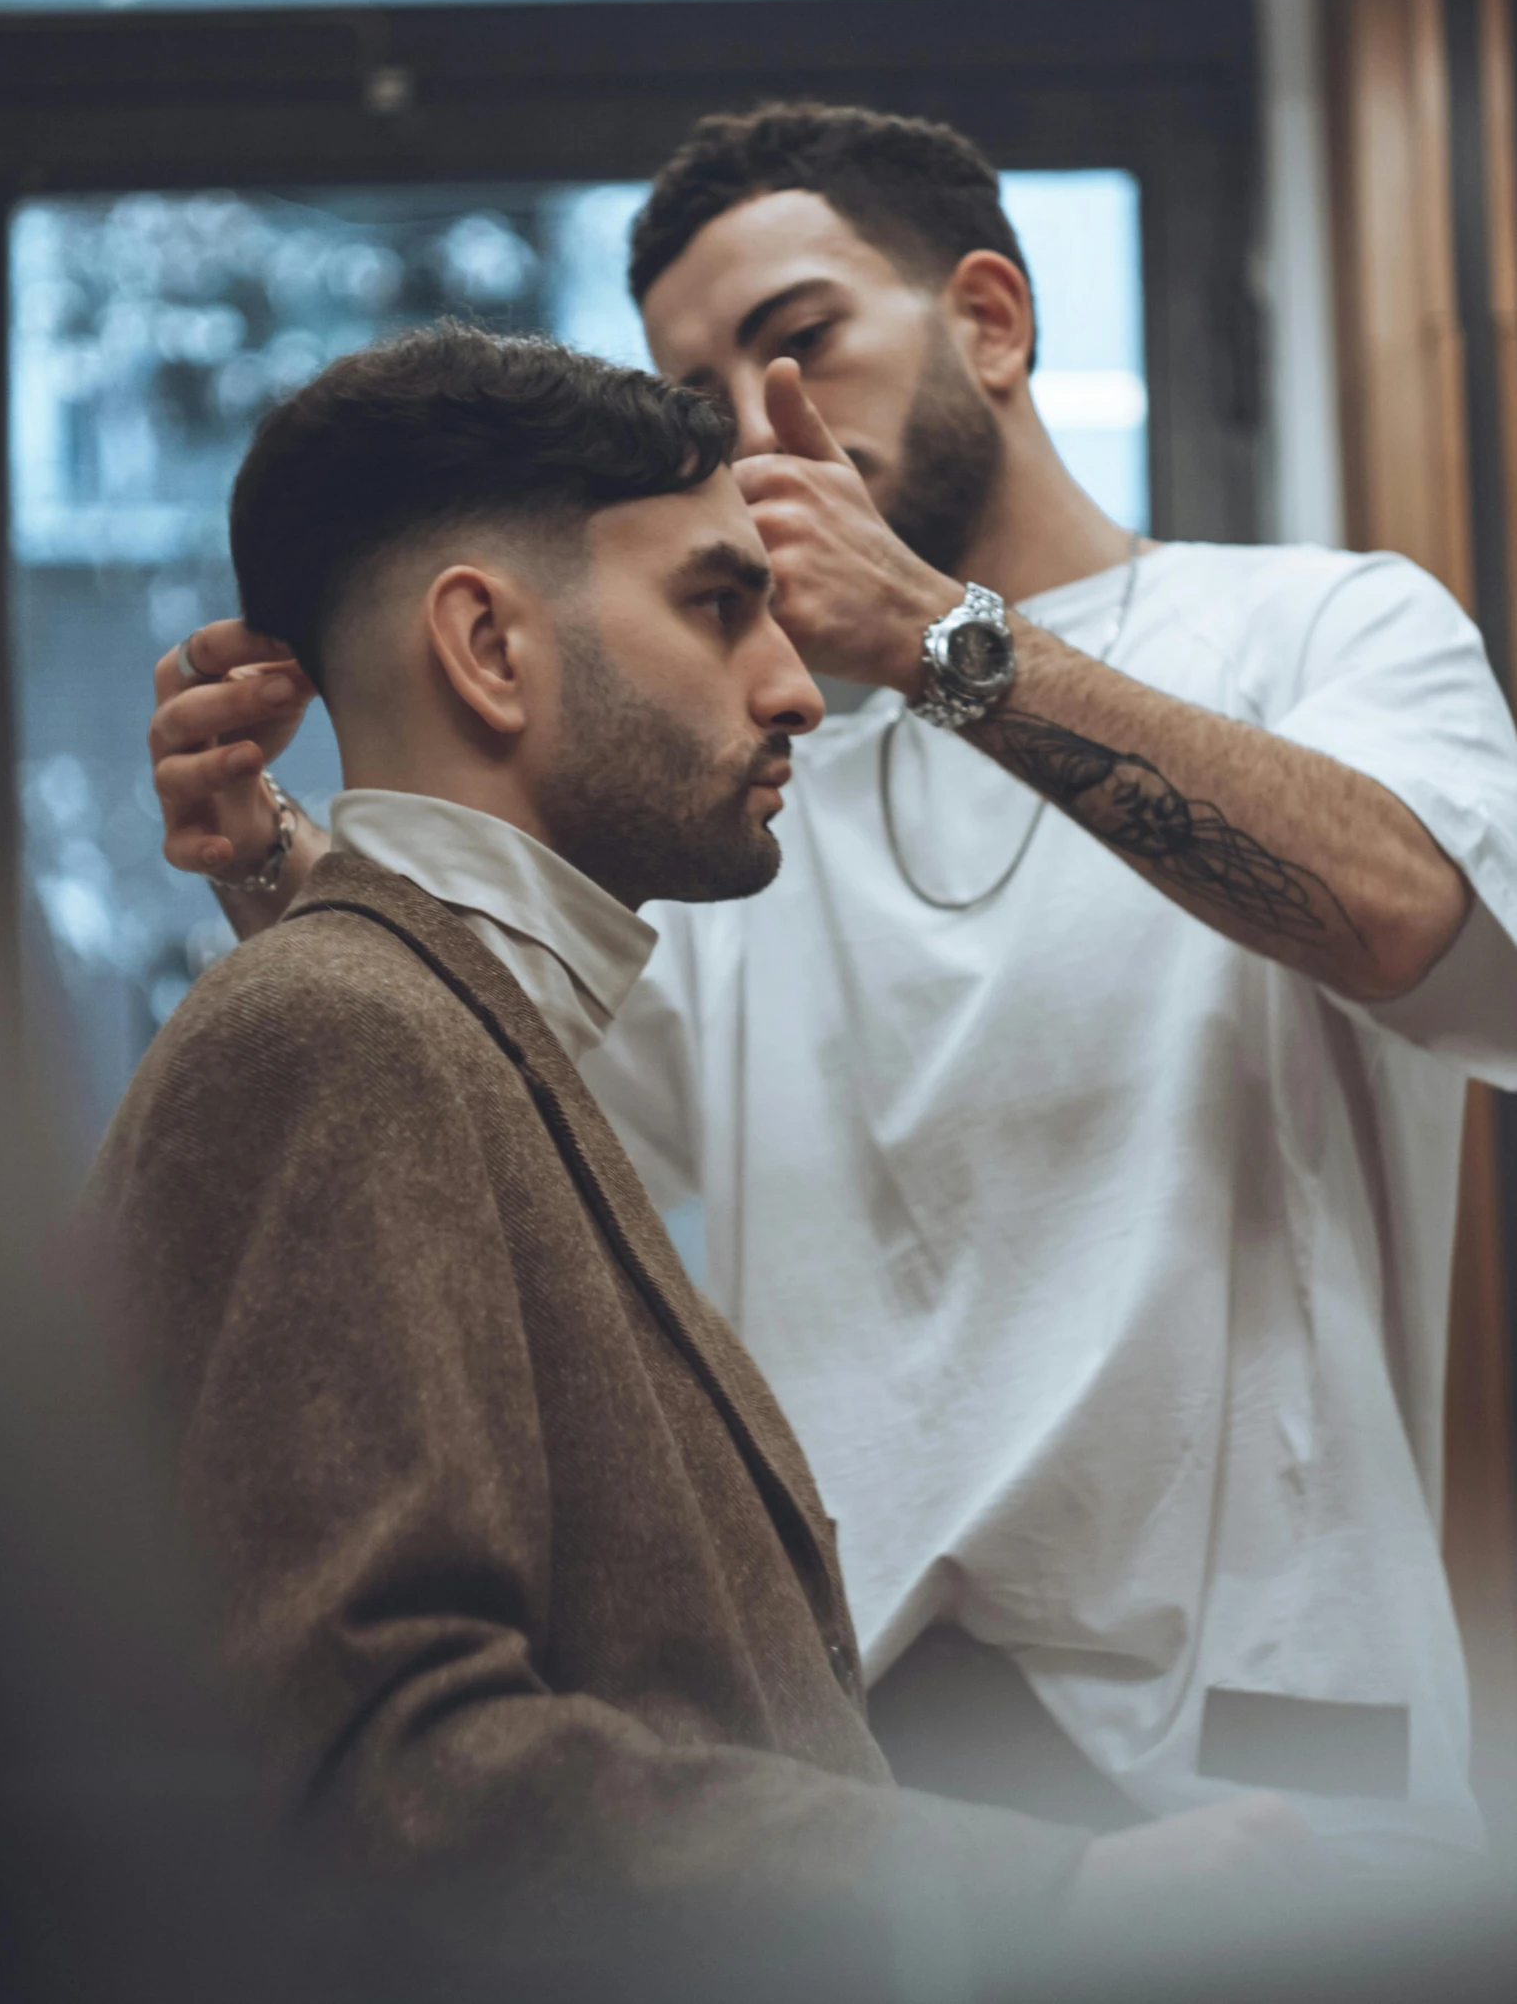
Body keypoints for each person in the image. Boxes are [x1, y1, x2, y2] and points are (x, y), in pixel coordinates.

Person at [147, 107, 1517, 1868]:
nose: (754, 415)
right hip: (857, 1738)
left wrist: (951, 644)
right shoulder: (741, 794)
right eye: (699, 383)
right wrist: (278, 868)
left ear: (991, 323)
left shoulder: (1320, 629)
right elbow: (508, 1113)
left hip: (1263, 1733)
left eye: (799, 339)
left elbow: (1411, 915)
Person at [100, 323, 1319, 2001]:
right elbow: (377, 1769)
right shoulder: (336, 1034)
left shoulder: (443, 1024)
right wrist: (1048, 1895)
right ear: (487, 645)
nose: (798, 683)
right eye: (716, 601)